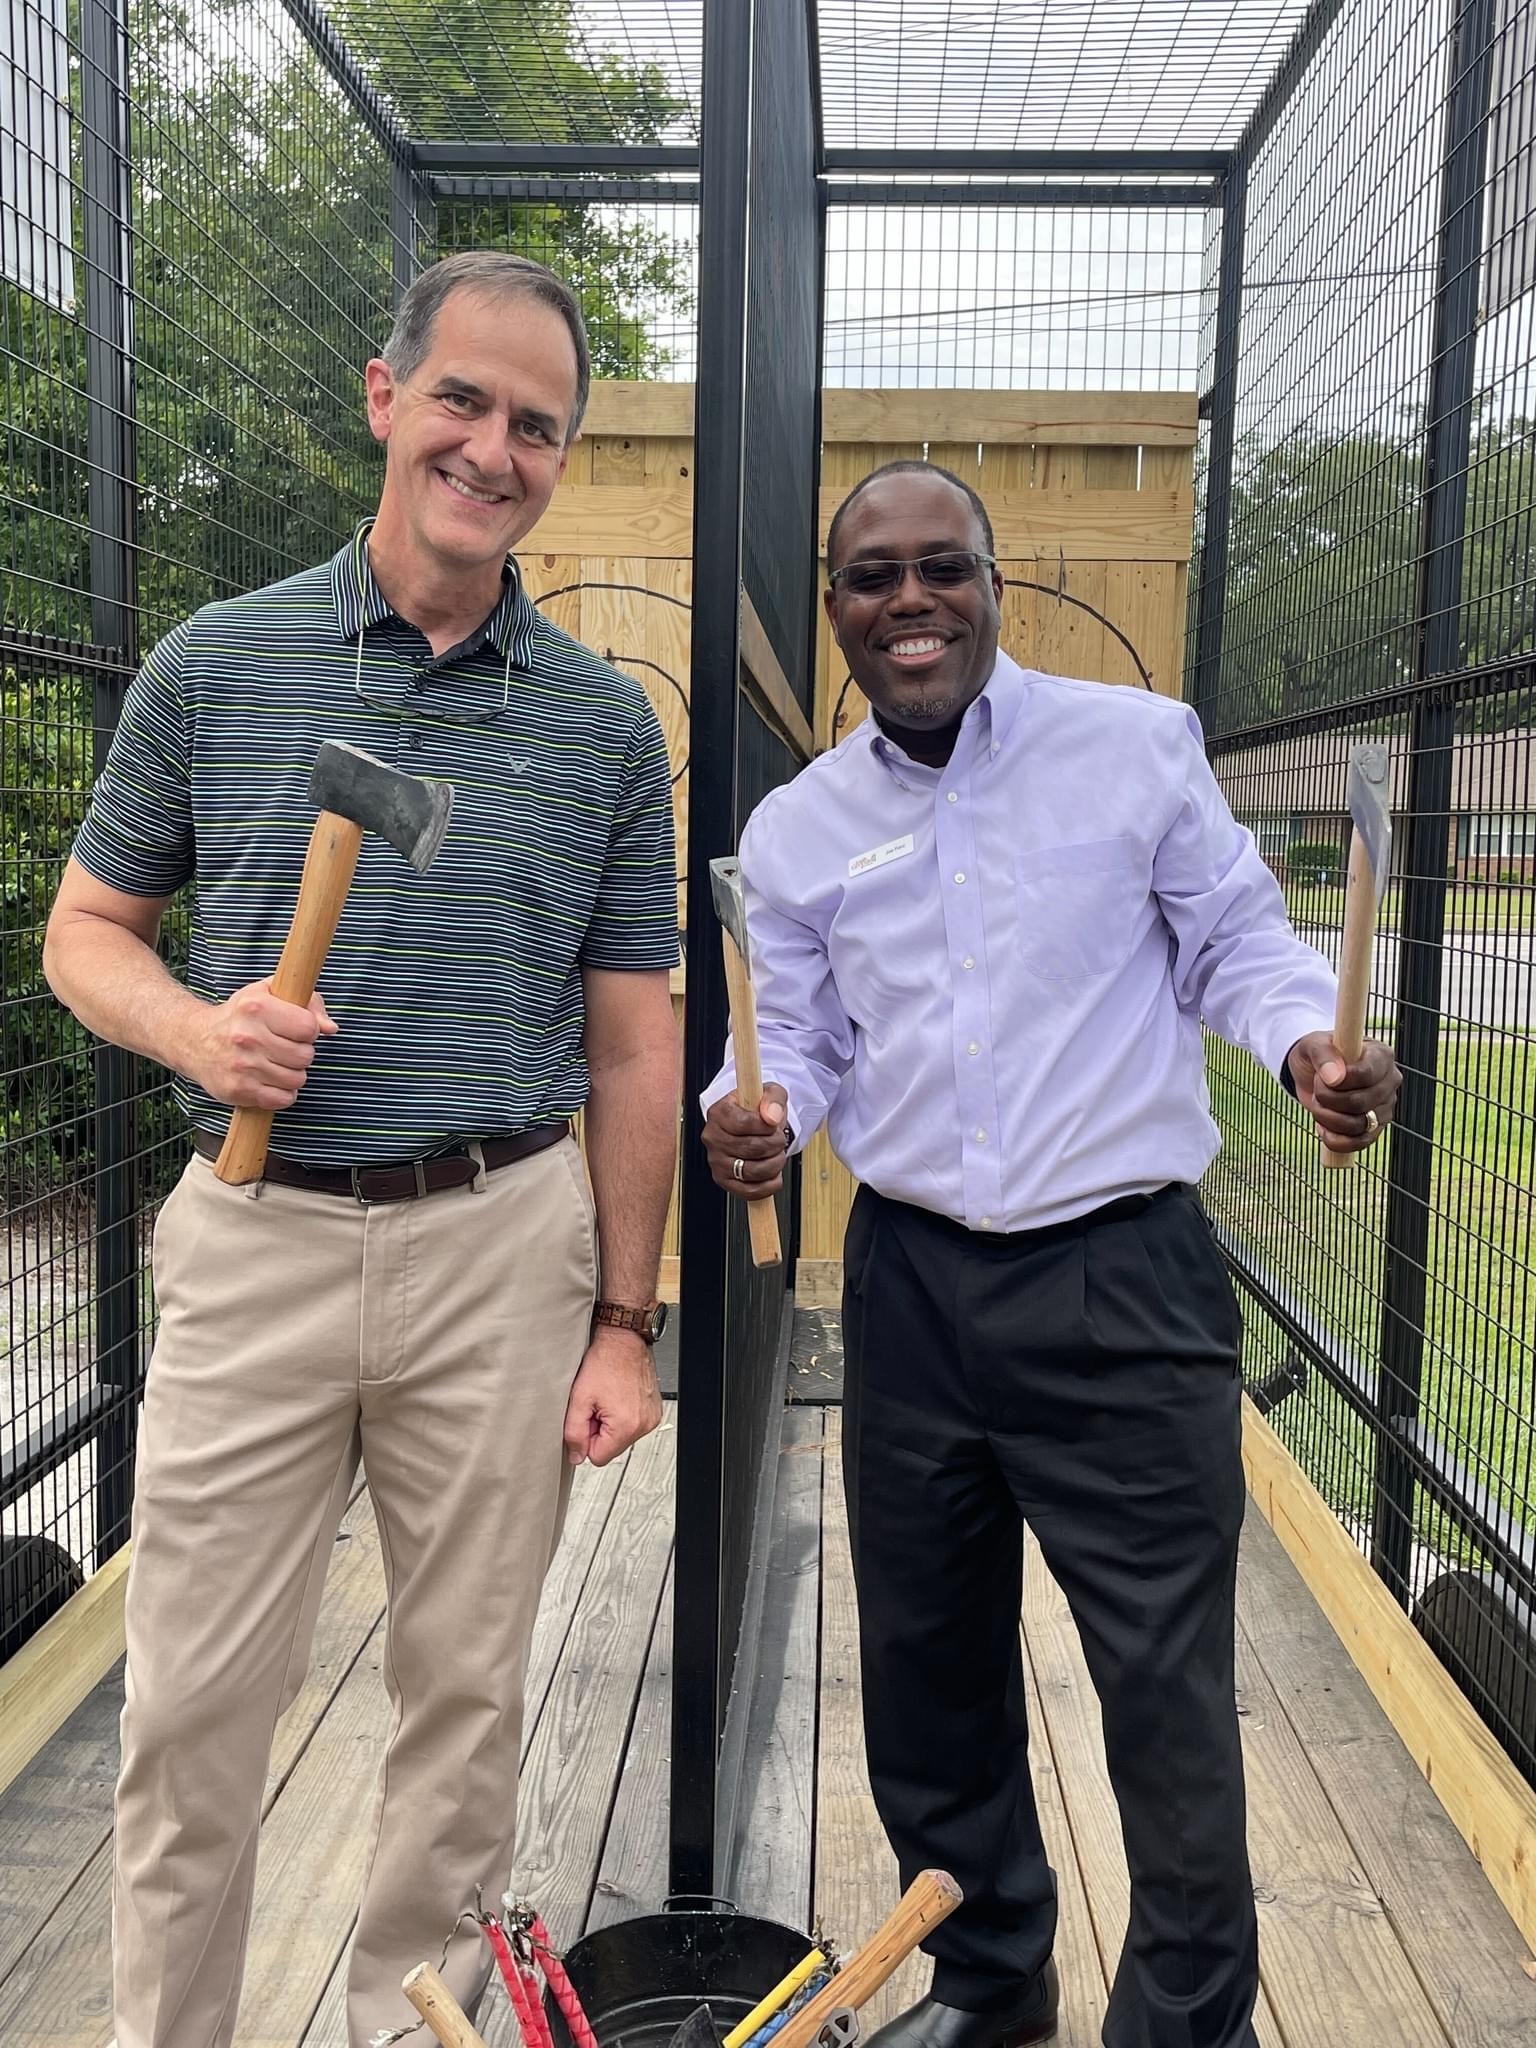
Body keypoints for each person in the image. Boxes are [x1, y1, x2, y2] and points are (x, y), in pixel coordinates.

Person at [44, 251, 681, 2048]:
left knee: (465, 1712)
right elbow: (85, 934)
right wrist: (199, 1025)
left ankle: (419, 2036)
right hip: (254, 1240)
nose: (495, 448)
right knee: (189, 1717)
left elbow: (636, 1039)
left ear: (558, 461)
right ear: (388, 399)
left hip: (502, 1242)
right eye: (465, 400)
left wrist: (625, 1319)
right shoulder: (217, 664)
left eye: (537, 426)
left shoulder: (603, 729)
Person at [701, 462, 1401, 2048]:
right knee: (929, 1674)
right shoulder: (802, 829)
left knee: (1163, 1692)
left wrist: (1306, 1045)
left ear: (993, 580)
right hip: (912, 1289)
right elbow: (800, 1033)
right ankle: (989, 1986)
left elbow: (1236, 937)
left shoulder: (1134, 751)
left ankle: (1184, 2022)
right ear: (838, 611)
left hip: (1122, 1280)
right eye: (872, 579)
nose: (909, 603)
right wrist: (756, 1111)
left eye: (940, 567)